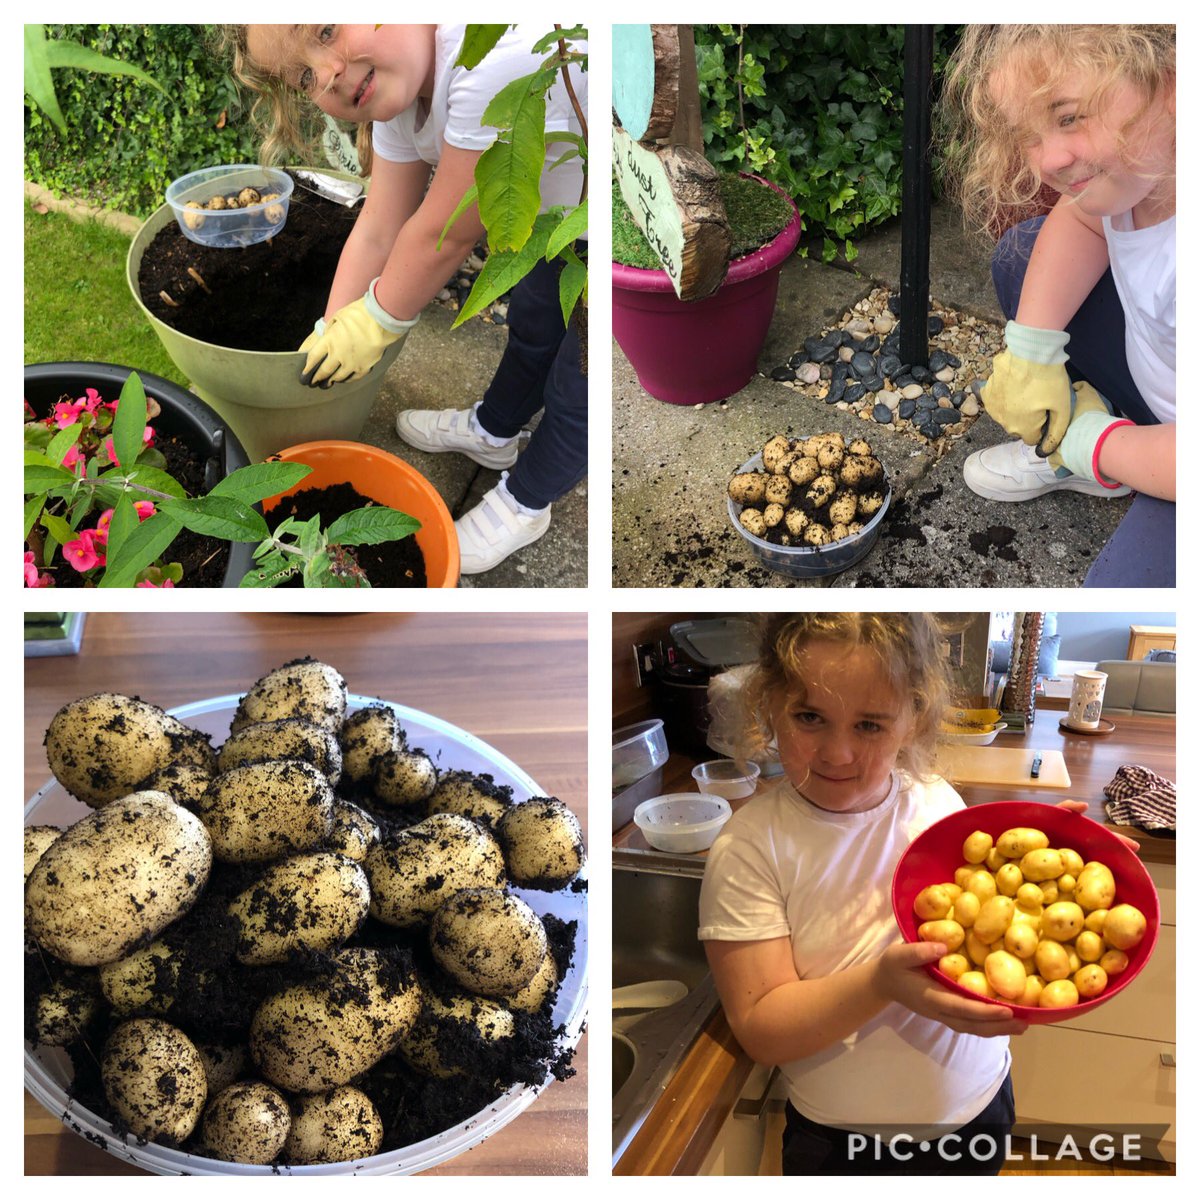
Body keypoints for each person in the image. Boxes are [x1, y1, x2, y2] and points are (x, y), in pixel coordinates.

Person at [697, 614, 1141, 1176]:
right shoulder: (749, 848)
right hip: (843, 1141)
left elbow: (983, 916)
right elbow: (761, 1027)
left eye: (869, 726)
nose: (836, 753)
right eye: (809, 717)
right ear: (770, 705)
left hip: (979, 1106)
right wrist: (881, 983)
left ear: (914, 719)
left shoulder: (934, 800)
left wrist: (1043, 854)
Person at [226, 25, 588, 575]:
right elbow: (380, 222)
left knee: (578, 383)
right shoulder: (397, 94)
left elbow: (445, 232)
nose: (326, 74)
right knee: (536, 323)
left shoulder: (493, 59)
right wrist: (332, 326)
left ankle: (526, 501)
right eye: (304, 76)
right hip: (560, 226)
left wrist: (373, 321)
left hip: (618, 223)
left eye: (326, 30)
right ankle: (495, 431)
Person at [939, 25, 1175, 588]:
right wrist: (1032, 352)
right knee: (1025, 253)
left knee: (1118, 589)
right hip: (1159, 379)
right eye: (1029, 133)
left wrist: (1087, 439)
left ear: (1172, 78)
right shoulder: (1142, 177)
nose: (1049, 159)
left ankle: (1095, 448)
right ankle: (1107, 442)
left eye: (1068, 117)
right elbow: (1082, 220)